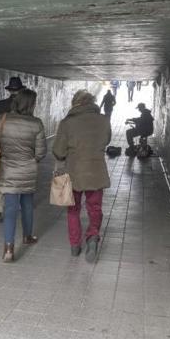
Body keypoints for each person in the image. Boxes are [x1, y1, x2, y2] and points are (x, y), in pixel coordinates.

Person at [53, 90, 111, 263]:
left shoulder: (67, 123)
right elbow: (106, 140)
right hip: (96, 171)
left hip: (74, 172)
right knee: (95, 208)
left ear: (75, 103)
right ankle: (93, 237)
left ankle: (74, 246)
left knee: (73, 209)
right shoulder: (103, 120)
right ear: (92, 102)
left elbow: (58, 150)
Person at [0, 89, 46, 262]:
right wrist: (30, 159)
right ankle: (27, 236)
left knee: (10, 208)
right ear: (31, 104)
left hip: (7, 168)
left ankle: (8, 248)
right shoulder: (36, 123)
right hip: (28, 169)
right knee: (27, 203)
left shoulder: (3, 119)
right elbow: (41, 153)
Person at [0, 76, 25, 223]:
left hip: (2, 146)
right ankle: (18, 204)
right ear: (21, 90)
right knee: (19, 175)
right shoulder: (25, 106)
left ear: (9, 90)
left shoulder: (0, 105)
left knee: (0, 177)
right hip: (20, 147)